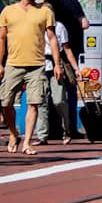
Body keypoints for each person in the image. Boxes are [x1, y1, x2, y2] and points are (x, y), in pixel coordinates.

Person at [0, 0, 60, 156]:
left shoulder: (45, 11)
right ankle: (14, 133)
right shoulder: (8, 11)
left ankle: (27, 142)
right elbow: (0, 38)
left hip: (37, 65)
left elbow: (52, 39)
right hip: (13, 64)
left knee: (34, 103)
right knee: (5, 101)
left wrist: (57, 64)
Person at [44, 0, 89, 139]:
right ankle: (69, 128)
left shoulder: (48, 2)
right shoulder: (72, 2)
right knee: (69, 91)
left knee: (50, 91)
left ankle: (51, 129)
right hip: (68, 51)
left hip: (47, 55)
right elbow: (84, 24)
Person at [35, 9, 80, 145]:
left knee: (59, 100)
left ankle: (67, 130)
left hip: (56, 64)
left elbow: (67, 49)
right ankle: (42, 135)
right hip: (39, 64)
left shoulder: (59, 27)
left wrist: (76, 68)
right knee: (40, 101)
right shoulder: (35, 25)